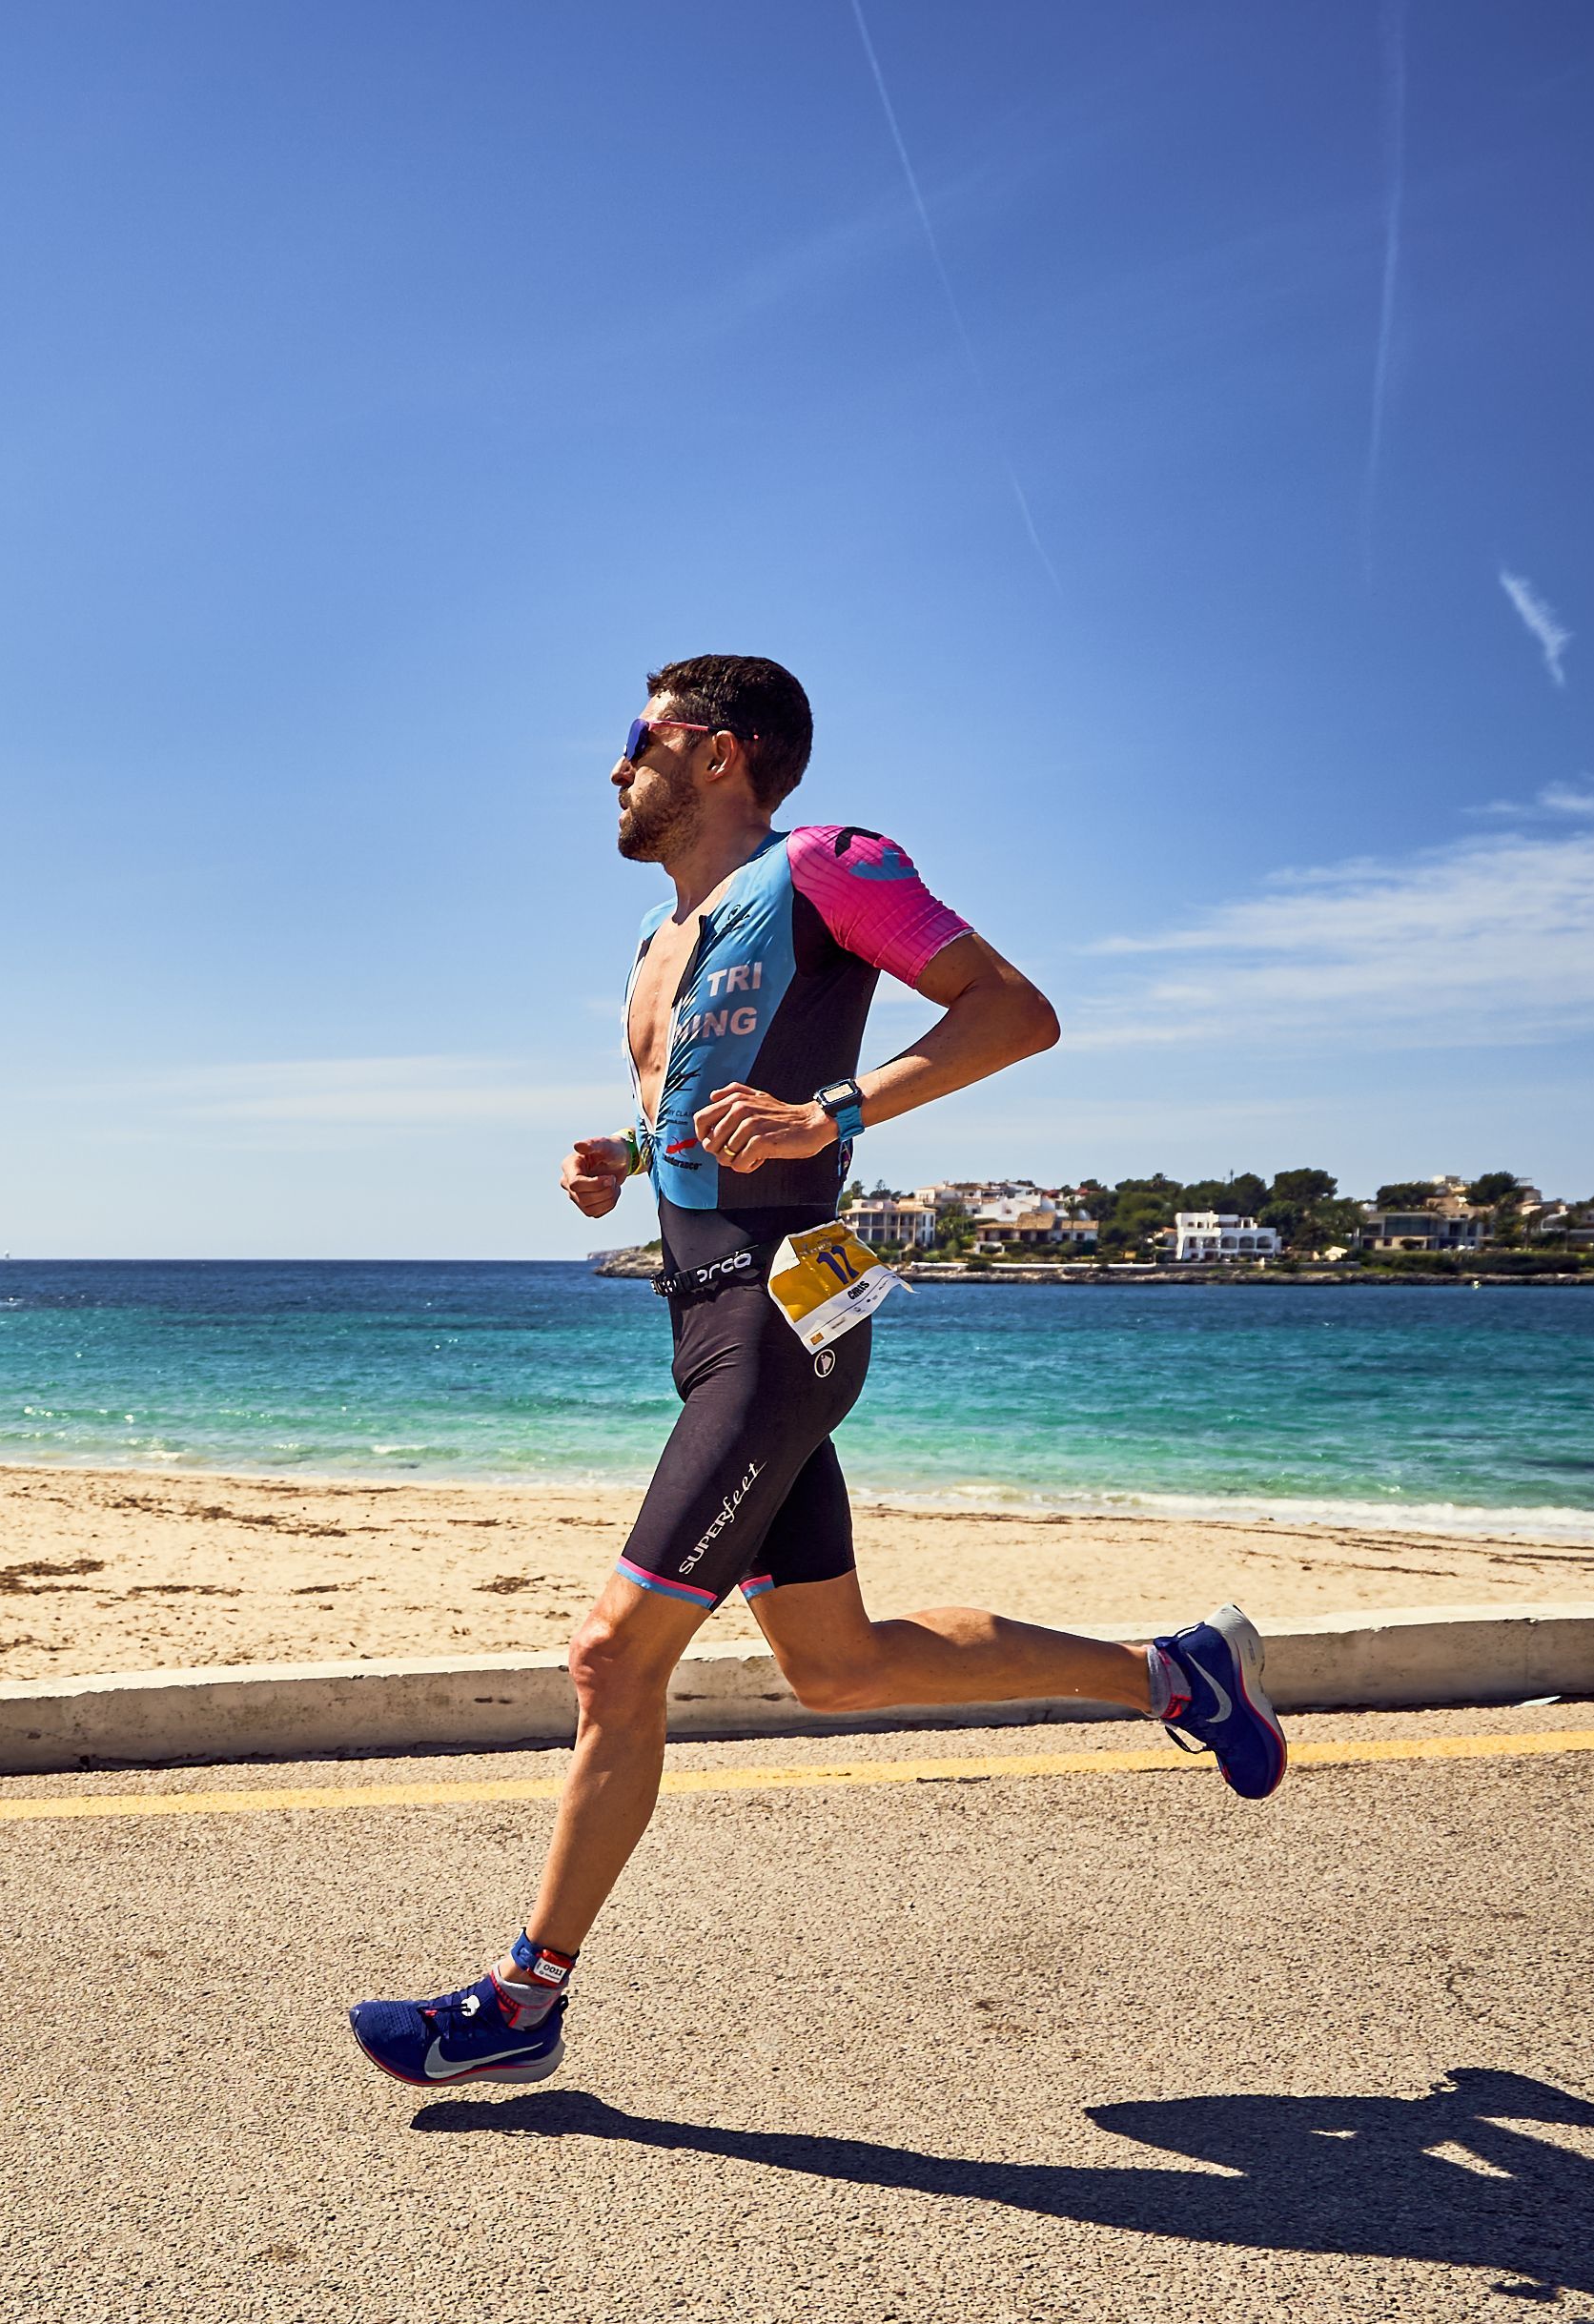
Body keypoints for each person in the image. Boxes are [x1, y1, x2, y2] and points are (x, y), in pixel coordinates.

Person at [350, 655, 1283, 2092]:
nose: (613, 768)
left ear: (720, 753)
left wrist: (833, 1110)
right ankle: (1179, 1673)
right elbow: (709, 1116)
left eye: (637, 738)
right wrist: (622, 1153)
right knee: (839, 1669)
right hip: (708, 1316)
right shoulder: (660, 945)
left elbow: (1012, 1012)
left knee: (612, 1657)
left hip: (786, 1314)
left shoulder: (829, 864)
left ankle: (524, 1999)